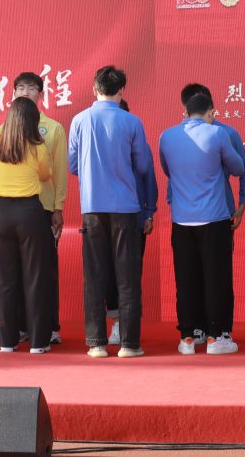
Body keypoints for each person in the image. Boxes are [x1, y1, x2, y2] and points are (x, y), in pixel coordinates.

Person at [68, 66, 152, 358]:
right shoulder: (132, 121)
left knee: (94, 275)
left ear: (94, 89)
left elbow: (73, 164)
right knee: (127, 276)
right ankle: (129, 344)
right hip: (125, 207)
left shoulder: (79, 120)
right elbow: (143, 166)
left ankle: (96, 343)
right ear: (121, 90)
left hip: (92, 206)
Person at [159, 92, 245, 355]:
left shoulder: (166, 136)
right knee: (216, 277)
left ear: (185, 112)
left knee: (186, 278)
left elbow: (167, 170)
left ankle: (188, 337)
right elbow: (238, 168)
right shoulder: (217, 133)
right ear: (211, 112)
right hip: (214, 218)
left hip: (181, 220)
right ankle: (216, 336)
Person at [0, 97, 54, 354]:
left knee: (4, 279)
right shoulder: (38, 148)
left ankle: (7, 341)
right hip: (30, 212)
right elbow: (46, 175)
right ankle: (38, 342)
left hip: (2, 213)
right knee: (35, 277)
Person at [9, 73, 68, 345]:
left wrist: (58, 207)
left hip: (43, 207)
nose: (25, 92)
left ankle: (49, 326)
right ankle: (22, 325)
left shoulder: (52, 129)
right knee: (16, 270)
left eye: (31, 88)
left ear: (41, 95)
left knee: (44, 270)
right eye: (20, 88)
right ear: (13, 94)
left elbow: (59, 171)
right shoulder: (6, 128)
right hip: (14, 207)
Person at [105, 99, 158, 346]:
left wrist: (149, 213)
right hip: (104, 216)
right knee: (108, 273)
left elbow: (148, 179)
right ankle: (116, 323)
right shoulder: (100, 143)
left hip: (134, 216)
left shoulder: (140, 144)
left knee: (131, 273)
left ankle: (128, 324)